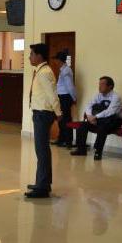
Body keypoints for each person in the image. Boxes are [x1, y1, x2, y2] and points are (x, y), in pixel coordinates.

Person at [25, 43, 61, 199]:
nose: (29, 57)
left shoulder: (44, 72)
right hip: (40, 113)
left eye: (32, 54)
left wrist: (59, 114)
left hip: (43, 114)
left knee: (42, 151)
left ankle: (43, 187)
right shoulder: (40, 71)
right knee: (41, 151)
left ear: (39, 56)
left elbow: (52, 95)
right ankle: (42, 183)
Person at [70, 76, 122, 160]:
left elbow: (110, 112)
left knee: (102, 128)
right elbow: (88, 105)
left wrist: (95, 117)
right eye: (99, 84)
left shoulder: (116, 97)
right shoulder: (98, 95)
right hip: (99, 119)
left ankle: (98, 151)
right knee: (82, 125)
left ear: (110, 86)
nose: (99, 86)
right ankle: (81, 149)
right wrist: (90, 116)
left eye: (102, 84)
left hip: (113, 120)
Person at [52, 51, 76, 147]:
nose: (55, 61)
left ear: (59, 60)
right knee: (61, 119)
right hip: (61, 97)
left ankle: (68, 141)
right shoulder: (63, 69)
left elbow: (70, 86)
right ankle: (61, 139)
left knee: (66, 119)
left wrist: (74, 98)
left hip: (65, 97)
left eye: (56, 59)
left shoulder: (66, 70)